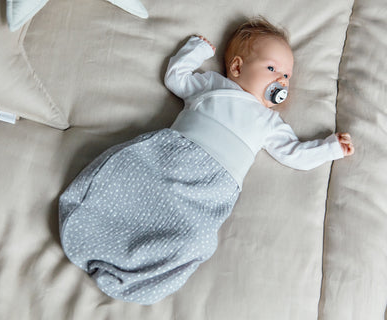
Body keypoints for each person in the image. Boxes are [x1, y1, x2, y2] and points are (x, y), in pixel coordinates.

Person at [58, 17, 354, 305]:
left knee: (197, 239)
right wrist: (195, 50)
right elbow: (176, 78)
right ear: (237, 67)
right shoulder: (213, 85)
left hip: (209, 193)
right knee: (131, 174)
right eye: (273, 68)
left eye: (287, 75)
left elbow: (294, 153)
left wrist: (330, 149)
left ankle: (143, 275)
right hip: (172, 159)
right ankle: (94, 225)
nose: (282, 80)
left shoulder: (270, 122)